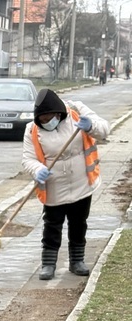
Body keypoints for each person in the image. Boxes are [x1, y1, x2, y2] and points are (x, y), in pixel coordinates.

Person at [21, 88, 108, 281]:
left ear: (58, 113)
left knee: (78, 222)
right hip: (54, 186)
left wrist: (90, 126)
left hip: (81, 182)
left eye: (49, 118)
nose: (46, 122)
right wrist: (37, 169)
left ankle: (77, 261)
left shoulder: (77, 111)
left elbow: (104, 129)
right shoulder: (32, 129)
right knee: (52, 224)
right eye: (42, 120)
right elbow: (28, 159)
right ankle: (48, 264)